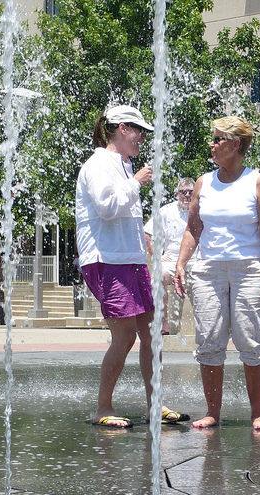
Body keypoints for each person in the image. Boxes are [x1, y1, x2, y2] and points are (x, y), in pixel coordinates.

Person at [76, 104, 189, 428]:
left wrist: (150, 263)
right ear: (122, 128)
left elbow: (130, 222)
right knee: (124, 337)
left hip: (132, 260)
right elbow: (108, 208)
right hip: (107, 260)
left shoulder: (124, 166)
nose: (142, 138)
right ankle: (102, 407)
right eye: (138, 131)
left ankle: (156, 404)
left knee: (152, 334)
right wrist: (137, 182)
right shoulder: (99, 164)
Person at [174, 116, 260, 430]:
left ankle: (257, 412)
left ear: (235, 145)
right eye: (213, 138)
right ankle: (212, 412)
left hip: (249, 269)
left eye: (218, 139)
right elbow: (194, 229)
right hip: (208, 270)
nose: (212, 144)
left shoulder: (257, 181)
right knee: (209, 341)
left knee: (250, 340)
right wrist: (181, 263)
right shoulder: (204, 182)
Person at [144, 178, 196, 335]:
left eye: (190, 192)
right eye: (183, 192)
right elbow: (147, 233)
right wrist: (157, 256)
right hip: (172, 259)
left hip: (195, 259)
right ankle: (163, 322)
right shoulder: (167, 211)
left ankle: (210, 326)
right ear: (177, 194)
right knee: (157, 279)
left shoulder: (201, 209)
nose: (186, 195)